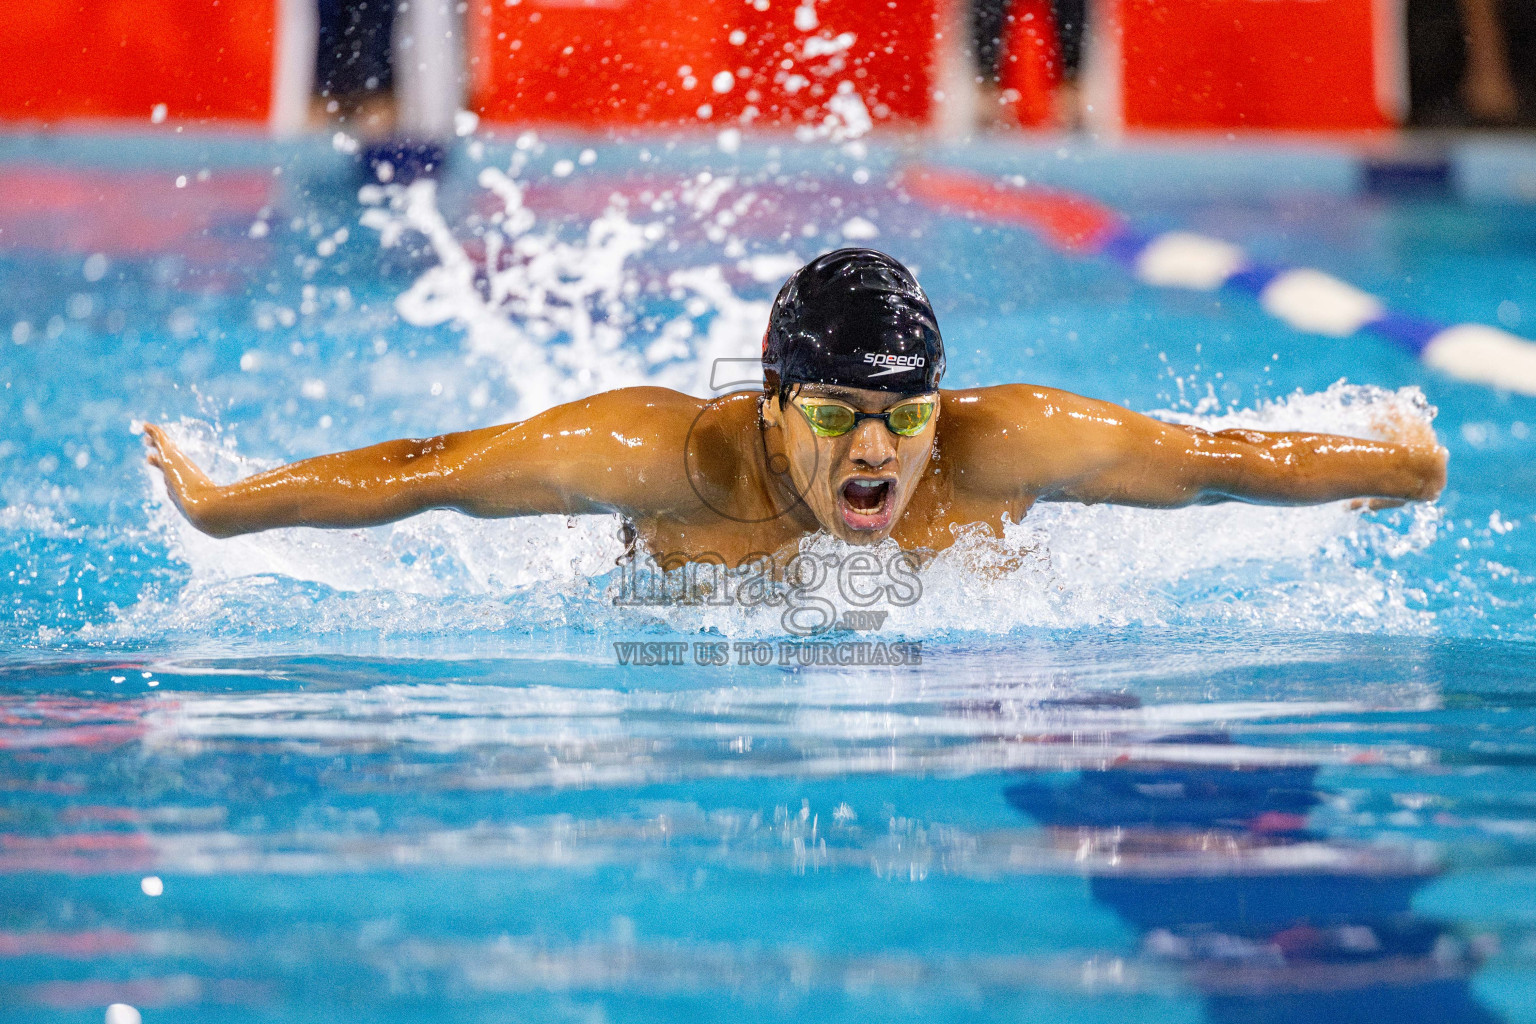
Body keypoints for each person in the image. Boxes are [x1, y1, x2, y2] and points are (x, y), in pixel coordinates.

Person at [143, 249, 1447, 570]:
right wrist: (221, 506)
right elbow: (430, 467)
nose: (877, 448)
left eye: (904, 414)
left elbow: (1215, 460)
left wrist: (1393, 467)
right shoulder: (667, 459)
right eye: (835, 415)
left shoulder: (1000, 450)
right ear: (769, 407)